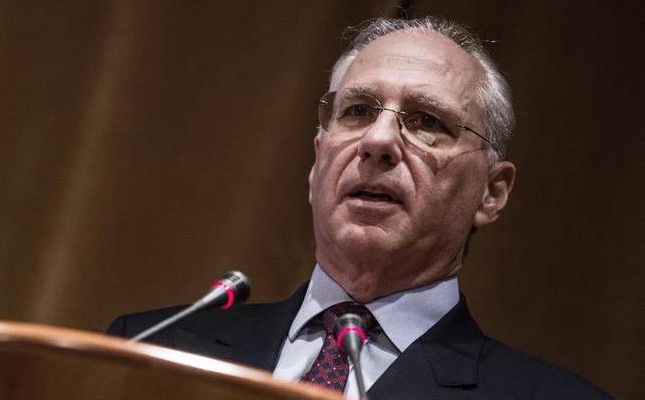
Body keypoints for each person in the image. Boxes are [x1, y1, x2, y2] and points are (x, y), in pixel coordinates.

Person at [107, 17, 610, 399]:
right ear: (316, 164)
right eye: (357, 111)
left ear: (491, 192)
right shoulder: (148, 350)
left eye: (427, 121)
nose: (378, 140)